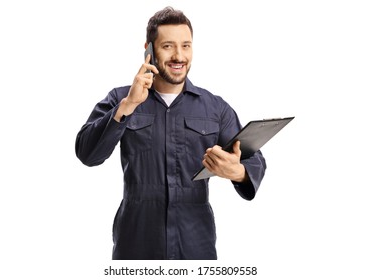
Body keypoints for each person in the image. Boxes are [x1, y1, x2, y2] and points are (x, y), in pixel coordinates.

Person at [75, 6, 266, 260]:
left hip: (196, 248)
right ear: (149, 49)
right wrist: (127, 107)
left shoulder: (215, 108)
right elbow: (87, 153)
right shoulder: (120, 98)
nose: (179, 56)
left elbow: (254, 159)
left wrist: (239, 173)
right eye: (168, 46)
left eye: (186, 46)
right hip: (136, 248)